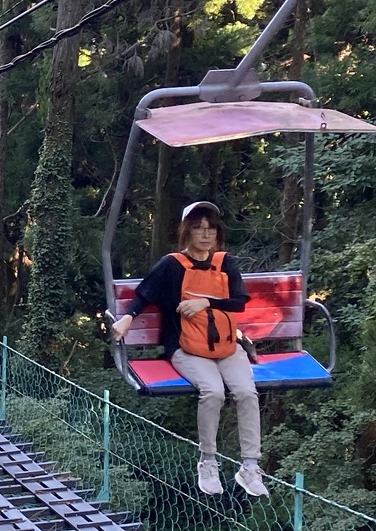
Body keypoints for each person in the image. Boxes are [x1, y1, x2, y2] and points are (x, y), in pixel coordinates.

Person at [111, 201, 264, 498]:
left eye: (210, 228)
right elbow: (145, 293)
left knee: (247, 392)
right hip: (186, 348)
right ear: (187, 232)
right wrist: (127, 319)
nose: (205, 235)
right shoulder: (172, 265)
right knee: (214, 392)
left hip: (226, 345)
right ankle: (208, 461)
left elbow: (239, 301)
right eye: (198, 228)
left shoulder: (225, 263)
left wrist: (205, 301)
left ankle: (250, 466)